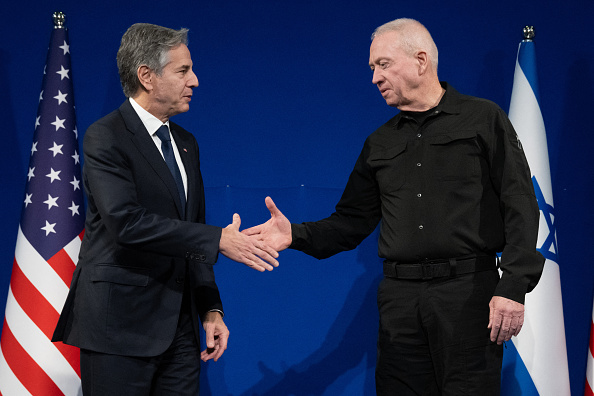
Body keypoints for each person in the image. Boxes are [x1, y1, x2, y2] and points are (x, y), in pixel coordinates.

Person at [244, 18, 545, 395]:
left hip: (467, 295)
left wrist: (514, 284)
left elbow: (519, 202)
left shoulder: (483, 119)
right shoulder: (380, 143)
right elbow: (351, 222)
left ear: (421, 60)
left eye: (382, 64)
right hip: (400, 303)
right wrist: (295, 235)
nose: (374, 77)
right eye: (372, 68)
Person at [52, 23, 279, 395]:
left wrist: (211, 308)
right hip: (119, 329)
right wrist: (218, 239)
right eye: (183, 70)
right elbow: (126, 223)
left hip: (180, 330)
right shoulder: (105, 136)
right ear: (147, 76)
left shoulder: (186, 143)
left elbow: (193, 229)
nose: (196, 81)